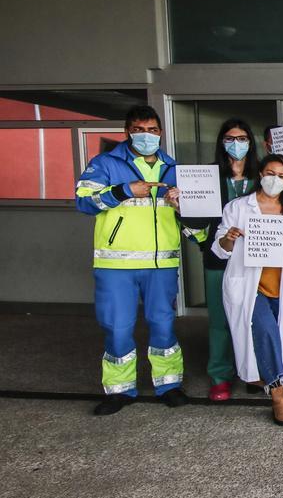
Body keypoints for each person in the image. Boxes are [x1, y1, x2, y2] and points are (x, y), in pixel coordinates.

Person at [75, 105, 194, 415]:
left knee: (163, 324)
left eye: (152, 130)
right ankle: (119, 390)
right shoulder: (106, 163)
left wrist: (185, 209)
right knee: (117, 327)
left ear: (160, 133)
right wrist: (124, 190)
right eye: (140, 130)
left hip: (162, 264)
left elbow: (193, 221)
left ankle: (168, 384)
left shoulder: (174, 168)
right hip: (116, 265)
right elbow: (84, 201)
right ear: (127, 132)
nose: (147, 136)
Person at [212, 154, 283, 425]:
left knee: (276, 334)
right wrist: (227, 238)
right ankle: (278, 395)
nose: (274, 179)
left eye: (281, 175)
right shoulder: (238, 208)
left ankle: (267, 376)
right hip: (247, 284)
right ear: (260, 175)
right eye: (269, 173)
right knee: (265, 329)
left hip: (281, 284)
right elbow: (220, 250)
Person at [193, 119, 259, 401]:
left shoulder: (262, 175)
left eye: (242, 138)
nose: (237, 144)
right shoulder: (206, 177)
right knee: (220, 320)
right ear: (221, 142)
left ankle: (254, 371)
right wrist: (181, 206)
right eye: (230, 138)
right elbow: (194, 221)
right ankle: (220, 375)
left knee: (255, 318)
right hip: (218, 257)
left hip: (256, 257)